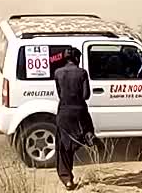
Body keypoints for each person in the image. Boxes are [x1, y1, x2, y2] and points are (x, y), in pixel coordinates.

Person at [52, 47, 94, 190]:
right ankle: (89, 137)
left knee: (63, 148)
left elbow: (59, 93)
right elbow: (86, 95)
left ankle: (67, 180)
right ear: (77, 58)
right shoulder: (82, 73)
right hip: (80, 112)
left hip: (64, 111)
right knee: (85, 129)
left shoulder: (57, 73)